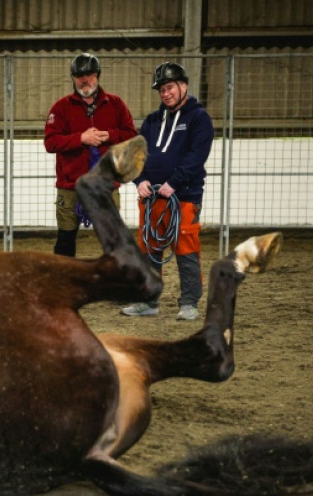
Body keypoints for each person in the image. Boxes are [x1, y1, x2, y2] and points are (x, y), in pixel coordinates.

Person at [121, 62, 214, 320]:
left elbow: (197, 156)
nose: (166, 93)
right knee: (149, 248)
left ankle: (189, 303)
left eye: (170, 87)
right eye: (161, 89)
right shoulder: (152, 121)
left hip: (183, 197)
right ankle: (147, 301)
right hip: (151, 199)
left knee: (185, 248)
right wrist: (139, 180)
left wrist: (173, 183)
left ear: (183, 86)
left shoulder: (199, 119)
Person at [45, 53, 137, 257]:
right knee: (65, 240)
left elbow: (131, 136)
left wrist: (110, 135)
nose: (85, 80)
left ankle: (113, 283)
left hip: (106, 186)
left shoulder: (116, 105)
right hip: (70, 188)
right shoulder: (61, 108)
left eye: (90, 75)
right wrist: (80, 139)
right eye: (79, 76)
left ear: (97, 75)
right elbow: (50, 142)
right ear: (73, 78)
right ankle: (64, 284)